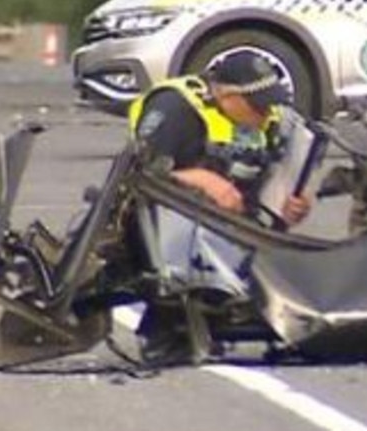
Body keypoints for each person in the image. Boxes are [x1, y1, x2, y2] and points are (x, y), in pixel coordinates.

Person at [127, 50, 312, 363]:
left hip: (235, 225)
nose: (266, 114)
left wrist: (291, 204)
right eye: (257, 106)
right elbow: (137, 175)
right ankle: (171, 322)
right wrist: (199, 179)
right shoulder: (175, 108)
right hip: (164, 228)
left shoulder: (270, 119)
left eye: (270, 104)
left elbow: (272, 179)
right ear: (225, 94)